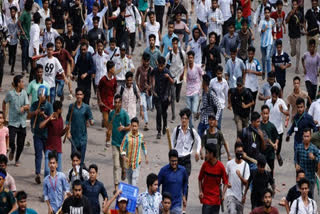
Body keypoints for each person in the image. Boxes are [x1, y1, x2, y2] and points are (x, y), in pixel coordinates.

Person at [28, 86, 53, 184]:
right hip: (37, 134)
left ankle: (49, 174)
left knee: (48, 155)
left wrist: (43, 115)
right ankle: (37, 173)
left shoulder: (49, 106)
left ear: (45, 96)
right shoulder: (34, 105)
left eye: (42, 96)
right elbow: (29, 115)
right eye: (39, 96)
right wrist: (35, 112)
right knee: (38, 154)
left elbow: (51, 118)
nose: (40, 98)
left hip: (47, 135)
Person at [3, 75, 29, 164]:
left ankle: (17, 159)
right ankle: (12, 149)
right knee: (11, 141)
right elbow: (4, 102)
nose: (23, 83)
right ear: (18, 84)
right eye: (22, 82)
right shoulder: (10, 94)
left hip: (22, 123)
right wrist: (4, 114)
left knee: (21, 144)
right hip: (13, 122)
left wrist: (24, 107)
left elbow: (28, 106)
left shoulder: (24, 93)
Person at [107, 94, 131, 192]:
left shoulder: (124, 114)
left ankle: (124, 170)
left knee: (123, 164)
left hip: (123, 144)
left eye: (118, 102)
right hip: (114, 143)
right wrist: (108, 134)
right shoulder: (111, 114)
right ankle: (116, 186)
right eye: (115, 102)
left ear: (121, 103)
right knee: (116, 165)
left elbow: (129, 126)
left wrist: (123, 128)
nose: (117, 104)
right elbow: (109, 126)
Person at [66, 87, 94, 165]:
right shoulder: (71, 107)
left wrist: (91, 121)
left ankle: (81, 175)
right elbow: (68, 120)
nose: (79, 96)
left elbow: (91, 117)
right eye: (78, 94)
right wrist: (68, 132)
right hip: (74, 138)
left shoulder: (86, 107)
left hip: (83, 138)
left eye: (80, 94)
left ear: (83, 96)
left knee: (81, 162)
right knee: (74, 162)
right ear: (75, 95)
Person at [39, 101, 68, 177]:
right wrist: (49, 119)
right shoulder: (51, 117)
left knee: (59, 172)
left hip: (58, 149)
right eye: (61, 109)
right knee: (47, 171)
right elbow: (40, 126)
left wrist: (65, 129)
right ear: (58, 110)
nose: (62, 110)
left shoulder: (61, 119)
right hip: (49, 148)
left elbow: (60, 134)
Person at [198, 143, 228, 214]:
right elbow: (199, 179)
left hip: (216, 201)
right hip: (206, 200)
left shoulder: (221, 167)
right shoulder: (205, 165)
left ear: (212, 154)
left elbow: (226, 182)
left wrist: (223, 195)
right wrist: (200, 191)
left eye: (207, 153)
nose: (206, 155)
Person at [158, 150, 188, 214]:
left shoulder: (183, 170)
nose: (174, 163)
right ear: (169, 160)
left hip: (176, 205)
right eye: (172, 161)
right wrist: (158, 198)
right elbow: (157, 184)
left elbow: (185, 183)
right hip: (165, 205)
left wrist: (184, 195)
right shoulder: (163, 170)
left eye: (175, 161)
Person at [265, 86, 289, 166]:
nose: (274, 97)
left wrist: (282, 110)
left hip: (279, 129)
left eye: (276, 95)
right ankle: (271, 163)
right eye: (273, 95)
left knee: (278, 147)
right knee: (271, 148)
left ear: (278, 95)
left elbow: (287, 113)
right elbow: (265, 113)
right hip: (270, 129)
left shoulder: (281, 102)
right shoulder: (268, 102)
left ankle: (278, 155)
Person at [120, 117, 148, 185]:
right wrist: (124, 157)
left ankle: (134, 195)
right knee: (129, 181)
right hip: (128, 163)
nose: (134, 128)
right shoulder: (127, 136)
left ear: (138, 126)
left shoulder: (141, 136)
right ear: (131, 126)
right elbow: (122, 148)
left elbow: (144, 146)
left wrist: (146, 157)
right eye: (133, 126)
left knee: (134, 180)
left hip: (136, 163)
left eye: (135, 126)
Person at [152, 56, 174, 139]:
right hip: (157, 95)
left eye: (162, 66)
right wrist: (152, 87)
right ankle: (158, 131)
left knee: (164, 113)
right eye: (159, 66)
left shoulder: (166, 71)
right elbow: (151, 76)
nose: (160, 68)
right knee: (158, 112)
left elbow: (173, 82)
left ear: (164, 65)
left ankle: (165, 126)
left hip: (165, 96)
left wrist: (168, 77)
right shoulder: (155, 70)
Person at [294, 128, 320, 198]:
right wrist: (296, 164)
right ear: (302, 136)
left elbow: (319, 159)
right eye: (305, 136)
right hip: (301, 177)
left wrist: (314, 158)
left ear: (310, 137)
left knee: (310, 196)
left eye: (307, 136)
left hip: (311, 178)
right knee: (299, 196)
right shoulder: (299, 147)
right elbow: (295, 158)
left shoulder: (314, 149)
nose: (306, 138)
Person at [226, 142, 250, 214]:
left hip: (240, 197)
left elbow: (246, 183)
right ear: (234, 151)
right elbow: (225, 177)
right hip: (231, 195)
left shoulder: (246, 165)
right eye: (238, 151)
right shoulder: (229, 164)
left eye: (241, 151)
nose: (239, 153)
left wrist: (240, 176)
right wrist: (227, 183)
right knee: (232, 211)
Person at [165, 37, 186, 123]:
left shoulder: (182, 53)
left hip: (179, 78)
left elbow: (185, 64)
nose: (175, 45)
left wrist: (183, 74)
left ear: (178, 44)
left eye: (176, 43)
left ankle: (177, 97)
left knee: (177, 97)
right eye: (173, 43)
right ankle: (173, 115)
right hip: (172, 78)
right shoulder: (169, 54)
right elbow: (165, 65)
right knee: (173, 97)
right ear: (172, 44)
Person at [98, 60, 117, 145]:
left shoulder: (114, 79)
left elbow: (115, 90)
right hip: (104, 104)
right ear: (110, 69)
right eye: (113, 68)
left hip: (111, 104)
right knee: (108, 124)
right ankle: (108, 139)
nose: (114, 69)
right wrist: (99, 100)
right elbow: (98, 89)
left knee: (111, 123)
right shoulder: (103, 79)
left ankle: (108, 139)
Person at [185, 50, 204, 128]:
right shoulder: (186, 68)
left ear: (193, 58)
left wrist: (202, 86)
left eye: (191, 58)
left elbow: (203, 75)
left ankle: (198, 112)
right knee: (188, 112)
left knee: (194, 110)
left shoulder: (197, 67)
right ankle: (191, 127)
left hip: (196, 90)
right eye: (189, 58)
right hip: (188, 91)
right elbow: (183, 77)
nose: (190, 59)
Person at [260, 105, 279, 177]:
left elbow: (277, 136)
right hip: (262, 152)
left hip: (270, 152)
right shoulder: (259, 126)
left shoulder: (271, 126)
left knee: (271, 169)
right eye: (263, 113)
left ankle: (272, 183)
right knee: (262, 169)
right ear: (261, 114)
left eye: (266, 113)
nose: (265, 115)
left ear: (269, 114)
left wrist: (276, 144)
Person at [285, 0, 304, 74]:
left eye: (296, 5)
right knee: (293, 53)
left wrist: (302, 26)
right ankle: (292, 52)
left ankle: (297, 68)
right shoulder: (290, 13)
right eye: (293, 5)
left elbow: (302, 22)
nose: (294, 6)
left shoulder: (300, 14)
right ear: (292, 6)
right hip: (292, 36)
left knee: (298, 52)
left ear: (297, 6)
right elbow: (286, 21)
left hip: (298, 36)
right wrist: (290, 15)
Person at [54, 36, 74, 102]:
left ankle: (61, 95)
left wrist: (71, 71)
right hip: (54, 76)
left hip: (62, 76)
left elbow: (71, 59)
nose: (57, 45)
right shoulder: (53, 53)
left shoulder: (65, 52)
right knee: (53, 94)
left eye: (59, 43)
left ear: (62, 44)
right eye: (56, 43)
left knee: (59, 93)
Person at [135, 53, 152, 131]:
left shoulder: (151, 69)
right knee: (144, 106)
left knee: (150, 106)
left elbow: (154, 80)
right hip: (142, 91)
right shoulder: (139, 68)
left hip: (149, 92)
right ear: (142, 60)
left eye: (147, 61)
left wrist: (150, 87)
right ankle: (146, 123)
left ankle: (147, 110)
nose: (146, 63)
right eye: (145, 61)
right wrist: (138, 86)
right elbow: (136, 77)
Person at [259, 7, 276, 79]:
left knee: (268, 58)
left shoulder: (272, 21)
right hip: (263, 43)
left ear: (270, 13)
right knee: (263, 58)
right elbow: (259, 30)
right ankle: (263, 71)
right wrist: (263, 30)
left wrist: (274, 35)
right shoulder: (262, 22)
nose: (267, 14)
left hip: (270, 42)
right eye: (265, 13)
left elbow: (274, 28)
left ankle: (269, 75)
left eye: (268, 12)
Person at [302, 39, 320, 106]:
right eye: (310, 47)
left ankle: (309, 107)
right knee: (309, 92)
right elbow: (302, 59)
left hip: (314, 78)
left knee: (313, 95)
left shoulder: (317, 56)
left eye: (313, 47)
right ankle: (307, 107)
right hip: (307, 77)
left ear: (315, 47)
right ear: (308, 47)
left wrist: (318, 72)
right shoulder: (306, 54)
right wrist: (304, 68)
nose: (311, 48)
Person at [244, 46, 262, 112]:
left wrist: (252, 71)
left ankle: (252, 114)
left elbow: (260, 73)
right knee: (247, 100)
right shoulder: (245, 62)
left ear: (254, 54)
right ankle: (247, 114)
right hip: (247, 85)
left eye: (251, 54)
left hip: (254, 85)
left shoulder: (256, 62)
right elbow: (244, 72)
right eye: (249, 54)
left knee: (253, 100)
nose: (250, 55)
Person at [17, 0, 32, 75]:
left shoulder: (29, 13)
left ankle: (26, 67)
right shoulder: (24, 13)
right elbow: (19, 22)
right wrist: (22, 30)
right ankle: (23, 69)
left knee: (28, 54)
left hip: (29, 37)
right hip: (24, 37)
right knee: (24, 54)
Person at [28, 12, 41, 82]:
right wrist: (36, 53)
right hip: (34, 52)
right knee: (34, 70)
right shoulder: (37, 28)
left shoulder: (32, 26)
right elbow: (34, 41)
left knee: (33, 70)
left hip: (31, 51)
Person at [7, 6, 19, 75]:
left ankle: (12, 69)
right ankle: (9, 59)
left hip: (15, 40)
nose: (12, 13)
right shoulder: (8, 20)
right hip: (9, 40)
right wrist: (9, 35)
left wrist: (18, 32)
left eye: (13, 12)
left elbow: (18, 28)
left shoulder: (17, 20)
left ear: (15, 12)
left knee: (14, 55)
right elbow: (6, 29)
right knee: (10, 53)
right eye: (11, 12)